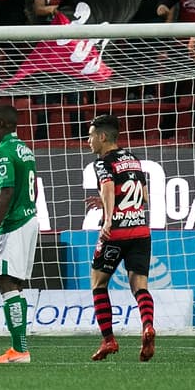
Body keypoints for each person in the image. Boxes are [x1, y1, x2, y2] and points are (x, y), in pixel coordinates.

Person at [85, 114, 155, 362]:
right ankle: (147, 326)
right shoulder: (134, 160)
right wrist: (108, 203)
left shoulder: (102, 162)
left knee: (98, 282)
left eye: (91, 135)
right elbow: (144, 197)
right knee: (140, 286)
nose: (88, 140)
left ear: (103, 137)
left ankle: (109, 340)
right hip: (140, 231)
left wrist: (107, 218)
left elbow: (106, 186)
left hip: (116, 232)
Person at [0, 104, 38, 365]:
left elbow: (6, 191)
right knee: (16, 284)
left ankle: (19, 350)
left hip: (13, 224)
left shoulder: (3, 152)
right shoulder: (24, 149)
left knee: (6, 282)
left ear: (3, 123)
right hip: (30, 218)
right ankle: (20, 348)